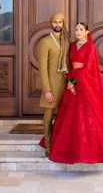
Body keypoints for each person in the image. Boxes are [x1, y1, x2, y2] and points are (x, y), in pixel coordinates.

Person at [44, 22, 103, 164]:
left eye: (81, 29)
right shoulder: (72, 46)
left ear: (87, 32)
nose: (78, 32)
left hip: (85, 84)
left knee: (86, 115)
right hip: (71, 81)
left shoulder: (90, 47)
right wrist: (68, 81)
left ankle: (88, 150)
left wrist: (74, 83)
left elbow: (88, 67)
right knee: (68, 115)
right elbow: (68, 64)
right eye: (76, 29)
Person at [37, 13, 70, 157]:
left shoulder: (66, 41)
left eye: (60, 22)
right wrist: (47, 90)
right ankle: (48, 146)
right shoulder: (45, 42)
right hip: (51, 86)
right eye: (55, 22)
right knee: (48, 118)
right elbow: (42, 68)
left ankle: (63, 144)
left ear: (63, 24)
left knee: (65, 116)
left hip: (65, 85)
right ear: (51, 23)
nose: (58, 25)